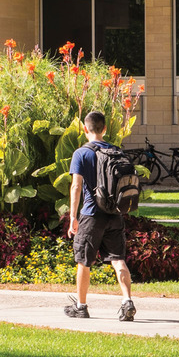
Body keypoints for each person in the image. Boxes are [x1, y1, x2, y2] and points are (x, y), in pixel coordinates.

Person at [63, 111, 136, 322]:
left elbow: (76, 186)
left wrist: (72, 217)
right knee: (118, 260)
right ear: (104, 129)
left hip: (91, 214)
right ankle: (127, 301)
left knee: (84, 262)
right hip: (115, 214)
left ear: (85, 128)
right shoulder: (116, 151)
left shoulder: (81, 153)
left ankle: (81, 306)